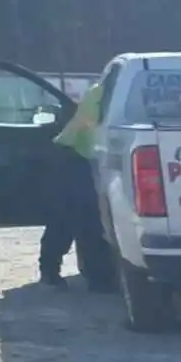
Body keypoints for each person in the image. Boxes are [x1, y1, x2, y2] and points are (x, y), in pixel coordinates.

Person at [38, 79, 113, 290]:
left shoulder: (102, 90)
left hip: (80, 155)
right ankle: (95, 277)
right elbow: (93, 128)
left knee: (79, 218)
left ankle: (57, 271)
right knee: (82, 218)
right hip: (75, 156)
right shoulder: (101, 92)